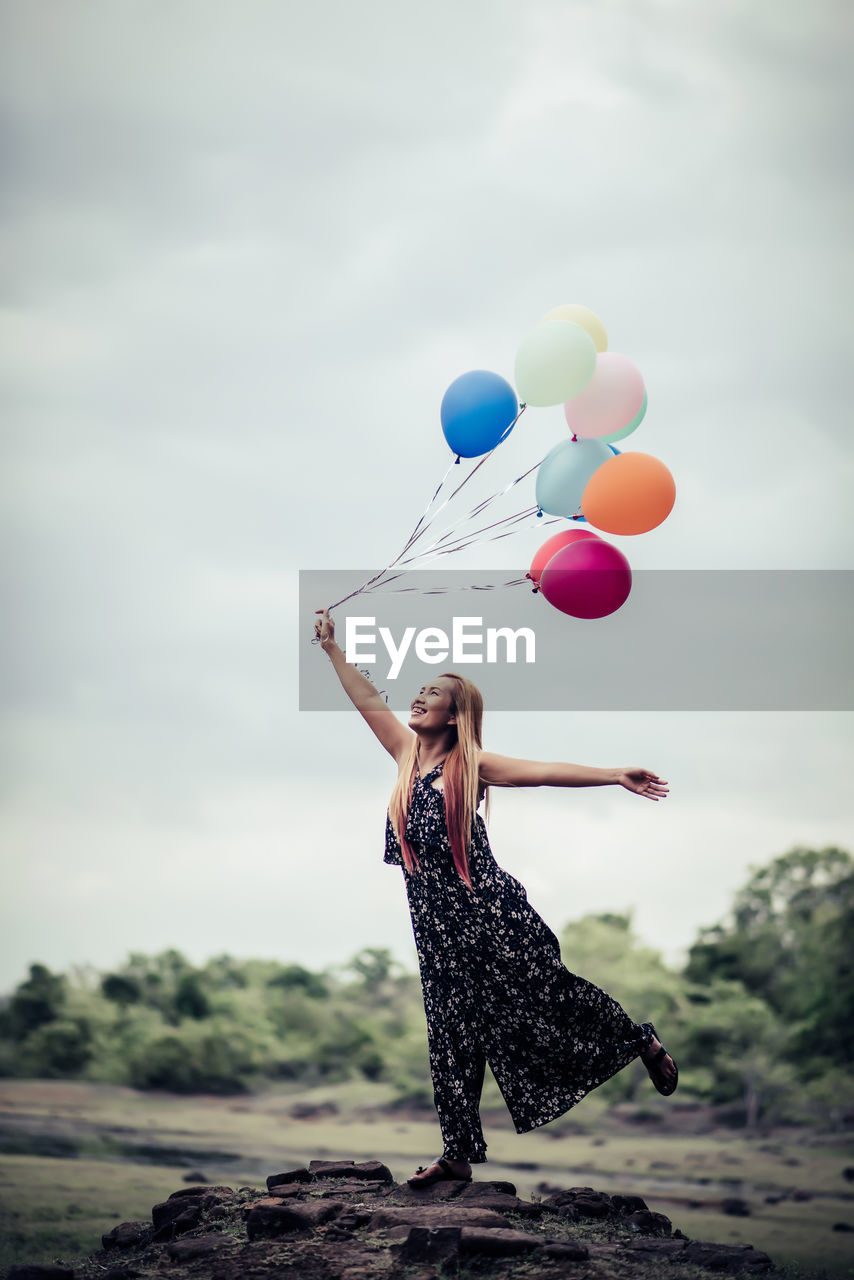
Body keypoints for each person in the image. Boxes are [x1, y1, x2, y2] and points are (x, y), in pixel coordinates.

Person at [313, 607, 678, 1188]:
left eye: (432, 694)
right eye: (421, 689)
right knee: (450, 1031)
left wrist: (612, 774)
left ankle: (639, 1039)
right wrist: (332, 649)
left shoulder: (471, 765)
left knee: (547, 1000)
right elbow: (366, 701)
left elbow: (544, 772)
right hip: (437, 930)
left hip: (492, 916)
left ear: (454, 715)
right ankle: (456, 1154)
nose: (418, 697)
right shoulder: (407, 758)